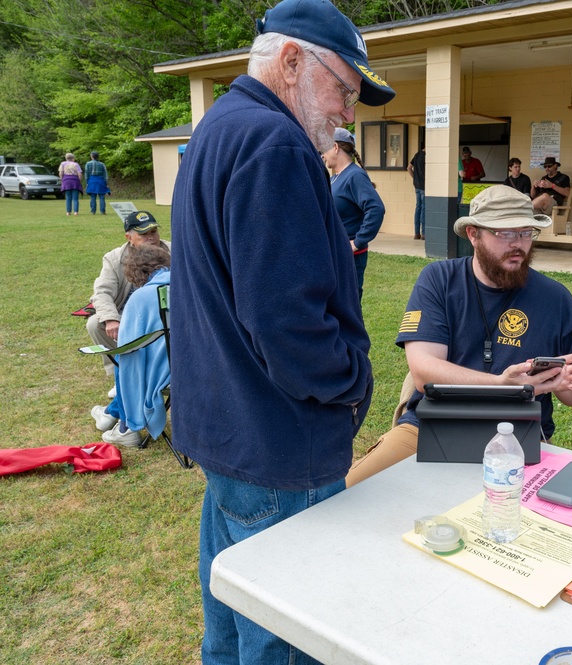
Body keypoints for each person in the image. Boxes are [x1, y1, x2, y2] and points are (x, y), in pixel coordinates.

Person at [168, 0, 394, 662]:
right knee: (284, 636)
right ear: (292, 61)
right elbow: (285, 319)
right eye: (343, 88)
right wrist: (351, 384)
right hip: (278, 440)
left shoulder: (221, 127)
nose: (348, 112)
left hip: (233, 427)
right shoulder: (274, 142)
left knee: (232, 621)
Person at [346, 186, 572, 486]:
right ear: (473, 234)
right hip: (432, 427)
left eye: (527, 232)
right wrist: (503, 385)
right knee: (350, 491)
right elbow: (424, 372)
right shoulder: (439, 280)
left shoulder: (555, 298)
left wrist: (563, 382)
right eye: (505, 233)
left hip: (519, 439)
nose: (518, 244)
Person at [92, 244, 172, 448]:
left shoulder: (140, 298)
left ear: (135, 273)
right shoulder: (191, 286)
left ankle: (126, 426)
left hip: (168, 374)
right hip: (202, 366)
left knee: (124, 360)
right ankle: (111, 412)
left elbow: (128, 349)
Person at [87, 210, 171, 380]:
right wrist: (111, 318)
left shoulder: (174, 249)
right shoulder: (113, 258)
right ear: (129, 237)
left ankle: (163, 370)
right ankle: (119, 373)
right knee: (94, 324)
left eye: (153, 232)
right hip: (126, 314)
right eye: (144, 234)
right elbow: (102, 292)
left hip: (165, 313)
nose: (151, 238)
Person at [322, 127, 385, 300]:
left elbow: (376, 208)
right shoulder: (335, 177)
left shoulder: (354, 176)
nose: (322, 154)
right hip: (336, 254)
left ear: (335, 147)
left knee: (349, 307)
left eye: (324, 149)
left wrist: (357, 242)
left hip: (350, 257)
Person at [408, 142, 426, 239]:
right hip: (425, 185)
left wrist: (415, 177)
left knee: (418, 208)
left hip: (417, 185)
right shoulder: (427, 156)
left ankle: (416, 233)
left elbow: (409, 168)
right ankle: (424, 234)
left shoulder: (417, 154)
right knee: (424, 208)